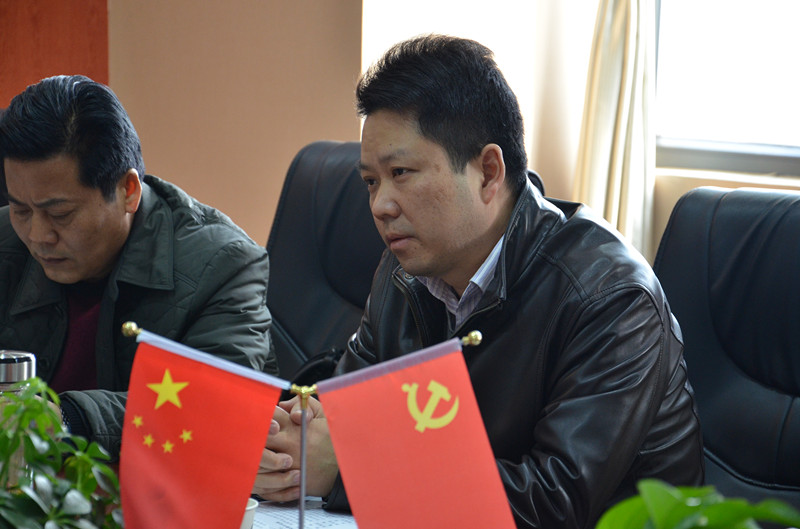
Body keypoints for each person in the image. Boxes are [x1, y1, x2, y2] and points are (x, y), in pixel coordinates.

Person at [254, 35, 703, 528]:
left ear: (489, 172)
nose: (380, 206)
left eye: (401, 172)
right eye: (370, 182)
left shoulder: (610, 298)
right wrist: (285, 449)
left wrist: (351, 471)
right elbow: (339, 416)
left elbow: (553, 504)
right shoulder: (404, 274)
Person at [0, 75, 276, 457]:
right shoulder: (7, 242)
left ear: (127, 191)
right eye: (20, 210)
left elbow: (218, 403)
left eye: (60, 214)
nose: (37, 235)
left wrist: (63, 419)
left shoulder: (224, 264)